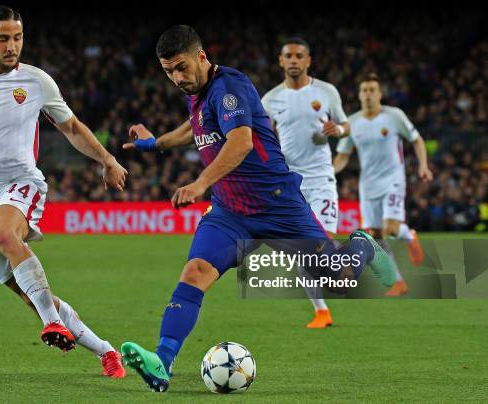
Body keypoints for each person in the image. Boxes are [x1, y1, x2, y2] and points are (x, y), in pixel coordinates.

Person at [119, 25, 397, 392]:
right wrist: (156, 143)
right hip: (230, 213)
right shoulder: (199, 93)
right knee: (194, 273)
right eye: (169, 71)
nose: (177, 78)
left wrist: (200, 183)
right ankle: (162, 362)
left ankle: (362, 244)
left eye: (182, 67)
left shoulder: (229, 87)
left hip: (278, 207)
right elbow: (195, 126)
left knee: (340, 279)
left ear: (201, 57)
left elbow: (241, 142)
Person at [0, 6, 127, 377]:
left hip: (21, 181)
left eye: (17, 37)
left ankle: (52, 323)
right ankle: (106, 350)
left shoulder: (37, 82)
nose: (12, 46)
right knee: (30, 295)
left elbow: (72, 128)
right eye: (3, 38)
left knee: (4, 233)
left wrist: (107, 160)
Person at [262, 37, 349, 328]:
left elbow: (346, 125)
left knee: (322, 248)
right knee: (303, 252)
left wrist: (336, 128)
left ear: (308, 60)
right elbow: (262, 138)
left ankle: (364, 250)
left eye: (300, 55)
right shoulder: (270, 99)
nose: (294, 60)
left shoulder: (326, 91)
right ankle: (321, 312)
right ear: (281, 61)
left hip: (321, 178)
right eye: (289, 56)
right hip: (290, 184)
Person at [334, 73, 433, 296]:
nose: (368, 94)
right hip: (368, 186)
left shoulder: (394, 116)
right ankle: (398, 282)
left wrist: (423, 166)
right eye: (364, 90)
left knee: (390, 228)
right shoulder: (353, 123)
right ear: (359, 95)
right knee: (376, 236)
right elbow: (343, 155)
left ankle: (409, 235)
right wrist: (329, 172)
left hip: (393, 180)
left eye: (372, 90)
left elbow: (416, 139)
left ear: (380, 94)